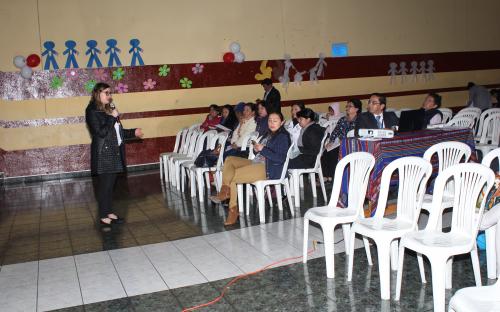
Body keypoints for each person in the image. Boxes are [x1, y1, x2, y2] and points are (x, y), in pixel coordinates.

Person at [209, 112, 291, 225]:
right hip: (257, 162)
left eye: (275, 121)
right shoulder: (268, 133)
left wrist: (263, 149)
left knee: (232, 176)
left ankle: (232, 210)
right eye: (270, 120)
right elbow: (258, 152)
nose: (271, 123)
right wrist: (256, 149)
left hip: (267, 168)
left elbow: (280, 158)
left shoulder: (282, 136)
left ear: (282, 122)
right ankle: (225, 191)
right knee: (229, 159)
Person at [85, 82, 144, 226]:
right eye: (107, 93)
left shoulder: (107, 109)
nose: (109, 96)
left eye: (110, 93)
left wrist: (133, 132)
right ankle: (103, 215)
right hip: (104, 153)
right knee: (105, 186)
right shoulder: (92, 110)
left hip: (114, 151)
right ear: (97, 93)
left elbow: (118, 132)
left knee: (111, 185)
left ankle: (109, 211)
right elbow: (101, 132)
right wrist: (112, 117)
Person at [321, 99, 362, 182]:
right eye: (347, 106)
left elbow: (358, 134)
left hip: (352, 144)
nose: (347, 108)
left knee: (334, 153)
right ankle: (325, 175)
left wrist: (345, 140)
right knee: (327, 151)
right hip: (340, 142)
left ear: (356, 109)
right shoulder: (342, 119)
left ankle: (332, 175)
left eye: (350, 106)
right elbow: (335, 131)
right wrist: (331, 141)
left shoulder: (360, 120)